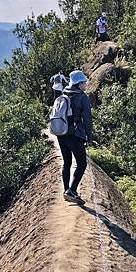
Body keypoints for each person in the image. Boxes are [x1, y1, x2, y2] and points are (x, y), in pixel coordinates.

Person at [57, 69, 92, 205]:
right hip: (75, 135)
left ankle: (67, 191)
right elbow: (87, 119)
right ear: (78, 84)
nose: (86, 84)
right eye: (84, 82)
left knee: (67, 163)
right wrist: (88, 136)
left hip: (61, 133)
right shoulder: (82, 97)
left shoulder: (64, 93)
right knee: (82, 164)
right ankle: (71, 190)